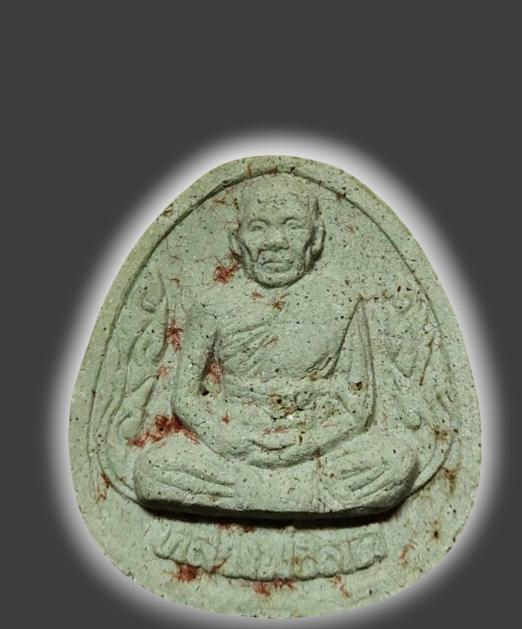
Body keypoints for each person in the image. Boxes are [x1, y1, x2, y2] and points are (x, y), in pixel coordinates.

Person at [134, 174, 417, 517]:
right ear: (236, 239)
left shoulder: (341, 302)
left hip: (317, 439)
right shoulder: (213, 304)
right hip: (233, 440)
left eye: (292, 226)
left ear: (316, 239)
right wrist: (228, 440)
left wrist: (306, 445)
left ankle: (256, 494)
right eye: (258, 227)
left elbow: (357, 405)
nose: (275, 242)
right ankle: (299, 495)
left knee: (396, 461)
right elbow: (184, 396)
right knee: (152, 469)